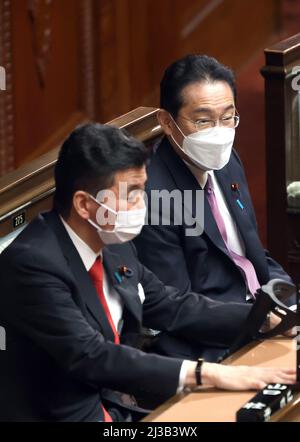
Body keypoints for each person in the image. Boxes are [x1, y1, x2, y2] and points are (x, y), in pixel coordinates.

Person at [0, 124, 294, 422]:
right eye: (131, 194)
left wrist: (267, 318)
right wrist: (209, 373)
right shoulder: (32, 265)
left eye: (143, 190)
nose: (142, 204)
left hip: (117, 406)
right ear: (85, 205)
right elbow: (92, 356)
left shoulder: (113, 243)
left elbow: (169, 304)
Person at [134, 54, 293, 361]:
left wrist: (289, 300)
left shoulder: (226, 160)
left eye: (228, 117)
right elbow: (174, 306)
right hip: (213, 344)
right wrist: (258, 321)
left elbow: (251, 255)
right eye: (203, 120)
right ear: (166, 122)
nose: (219, 132)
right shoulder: (152, 196)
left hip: (265, 316)